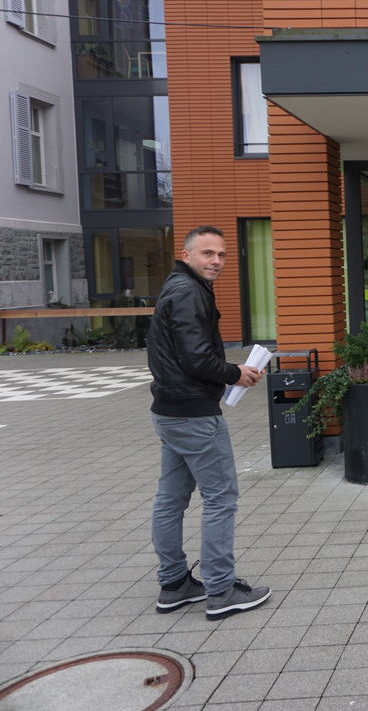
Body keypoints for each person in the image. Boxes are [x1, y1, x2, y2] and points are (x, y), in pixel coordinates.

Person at [146, 225, 270, 620]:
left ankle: (174, 584)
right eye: (207, 253)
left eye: (222, 254)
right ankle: (220, 590)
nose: (216, 261)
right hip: (194, 415)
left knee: (170, 500)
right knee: (220, 498)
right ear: (186, 255)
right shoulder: (188, 292)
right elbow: (196, 358)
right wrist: (236, 373)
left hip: (169, 411)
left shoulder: (177, 287)